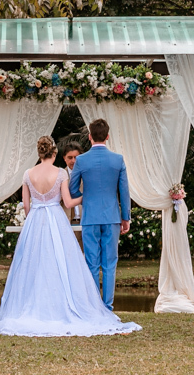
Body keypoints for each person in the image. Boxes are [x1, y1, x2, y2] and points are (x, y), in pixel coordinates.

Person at [0, 136, 140, 337]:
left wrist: (35, 213)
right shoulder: (60, 173)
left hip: (35, 220)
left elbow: (26, 206)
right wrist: (88, 196)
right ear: (54, 153)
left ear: (39, 153)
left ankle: (33, 305)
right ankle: (66, 304)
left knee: (34, 265)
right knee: (62, 263)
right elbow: (69, 203)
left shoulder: (28, 174)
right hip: (56, 219)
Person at [68, 118, 131, 310]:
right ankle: (108, 306)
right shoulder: (118, 159)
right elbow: (124, 191)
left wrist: (85, 197)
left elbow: (72, 189)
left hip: (90, 218)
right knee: (110, 263)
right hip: (112, 216)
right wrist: (125, 217)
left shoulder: (81, 160)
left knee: (92, 263)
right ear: (108, 136)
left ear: (89, 137)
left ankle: (95, 307)